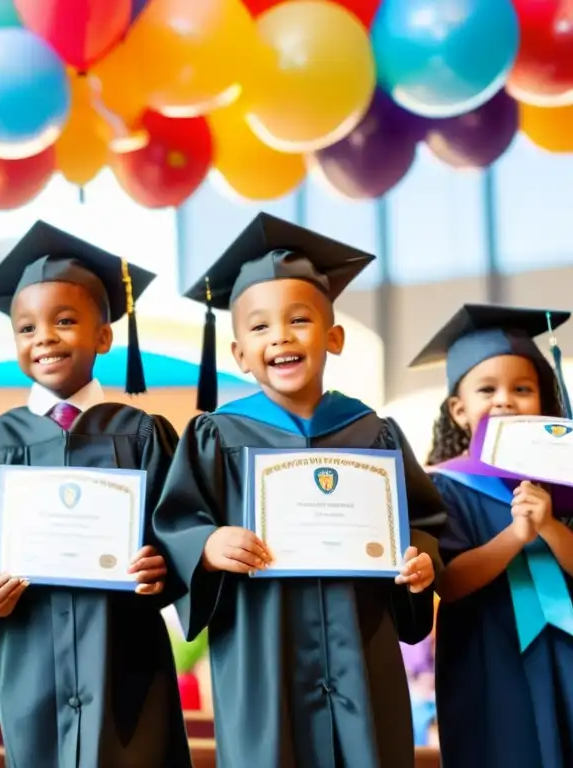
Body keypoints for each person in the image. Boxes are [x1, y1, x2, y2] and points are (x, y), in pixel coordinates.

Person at [152, 212, 446, 768]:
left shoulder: (372, 431)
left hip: (362, 655)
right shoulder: (217, 436)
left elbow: (426, 527)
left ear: (333, 337)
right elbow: (175, 528)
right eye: (259, 327)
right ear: (238, 353)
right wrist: (208, 548)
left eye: (299, 320)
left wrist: (421, 563)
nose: (280, 337)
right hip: (265, 660)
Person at [0, 221, 192, 768]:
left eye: (64, 321)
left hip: (124, 654)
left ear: (104, 337)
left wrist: (163, 566)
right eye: (26, 328)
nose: (45, 338)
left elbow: (179, 527)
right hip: (32, 655)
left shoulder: (144, 433)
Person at [413, 304, 573, 767]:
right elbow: (450, 581)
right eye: (488, 389)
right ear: (459, 411)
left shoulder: (563, 483)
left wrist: (549, 527)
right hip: (489, 654)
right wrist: (517, 535)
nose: (504, 400)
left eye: (522, 389)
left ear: (543, 403)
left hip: (563, 647)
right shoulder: (443, 486)